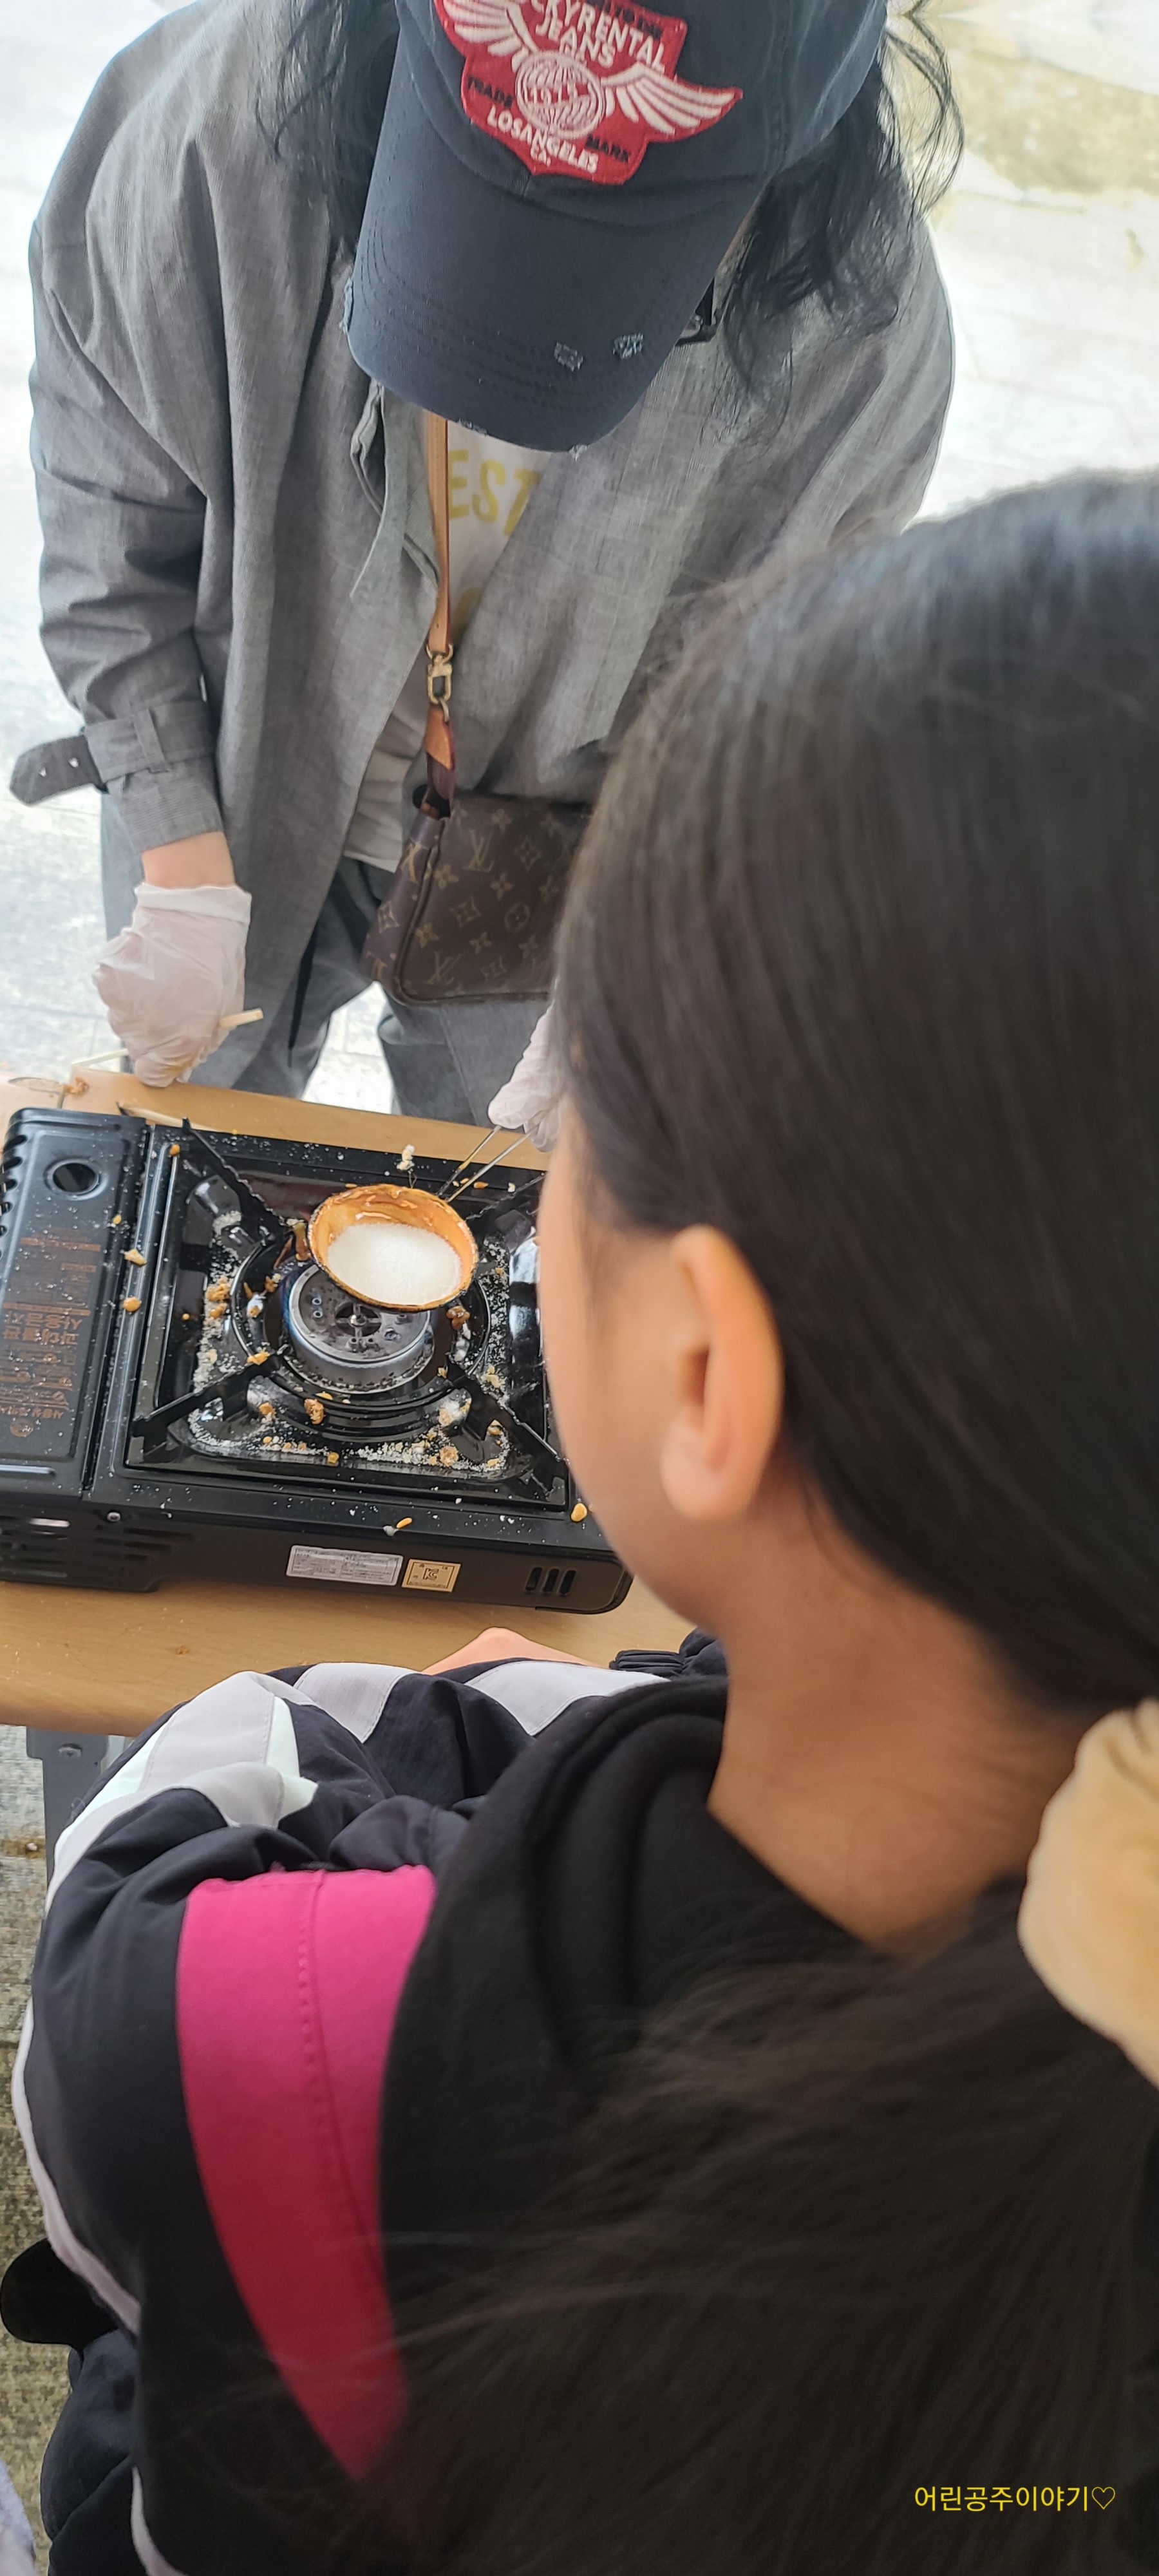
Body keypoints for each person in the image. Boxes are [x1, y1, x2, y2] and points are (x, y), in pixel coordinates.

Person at [14, 471, 1159, 2575]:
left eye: (576, 1126)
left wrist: (494, 1715)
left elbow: (133, 1892)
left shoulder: (245, 2024)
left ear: (711, 1382)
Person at [14, 0, 956, 1115]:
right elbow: (109, 509)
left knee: (506, 1165)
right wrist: (173, 839)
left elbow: (762, 725)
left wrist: (645, 951)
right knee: (200, 1112)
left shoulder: (862, 341)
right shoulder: (217, 124)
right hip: (238, 758)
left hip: (555, 863)